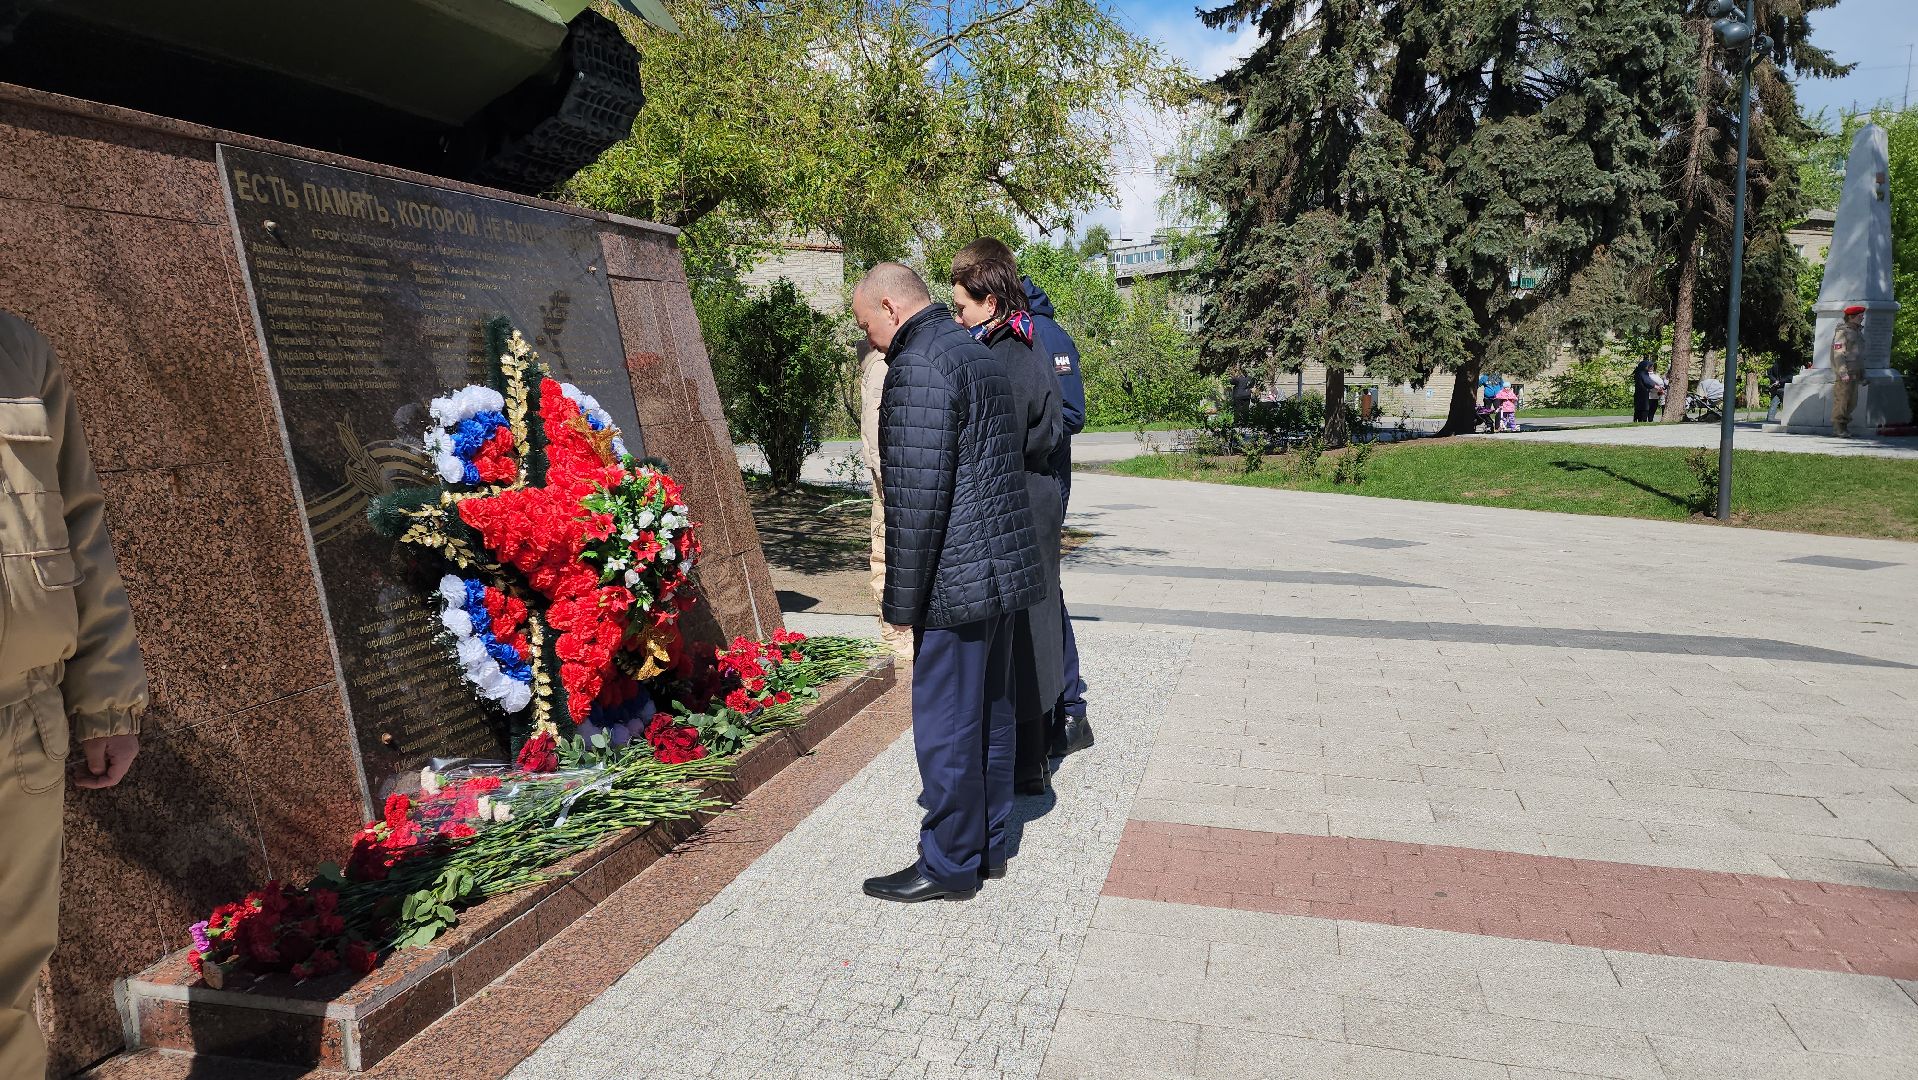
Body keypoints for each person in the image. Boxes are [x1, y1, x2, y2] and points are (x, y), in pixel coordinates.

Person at [853, 264, 1046, 903]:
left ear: (889, 304)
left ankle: (948, 862)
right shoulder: (975, 349)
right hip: (996, 570)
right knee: (990, 714)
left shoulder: (920, 364)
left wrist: (901, 603)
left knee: (946, 726)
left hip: (956, 580)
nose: (871, 339)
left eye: (867, 325)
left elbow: (917, 495)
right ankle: (986, 844)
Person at [1, 312, 148, 1077]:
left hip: (21, 725)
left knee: (5, 990)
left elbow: (79, 521)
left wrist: (107, 699)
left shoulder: (17, 350)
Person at [951, 239, 1064, 798]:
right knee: (1030, 621)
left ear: (989, 302)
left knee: (1025, 628)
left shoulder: (1007, 354)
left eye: (964, 307)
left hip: (1018, 496)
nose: (958, 317)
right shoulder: (1020, 337)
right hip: (1027, 493)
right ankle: (1037, 746)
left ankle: (1030, 757)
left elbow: (1004, 438)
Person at [1020, 274, 1092, 759]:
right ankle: (1058, 707)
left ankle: (1068, 708)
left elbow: (1071, 414)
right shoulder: (1011, 331)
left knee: (1043, 591)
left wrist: (1020, 440)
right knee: (1041, 592)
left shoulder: (1046, 334)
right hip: (1025, 481)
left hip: (1044, 478)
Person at [858, 344, 914, 663]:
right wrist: (891, 484)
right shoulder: (883, 364)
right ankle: (898, 641)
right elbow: (877, 435)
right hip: (893, 489)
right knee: (888, 559)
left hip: (900, 486)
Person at [1832, 304, 1867, 437]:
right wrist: (1842, 372)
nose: (1862, 317)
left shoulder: (1857, 332)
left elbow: (1860, 356)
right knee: (1842, 400)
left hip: (1855, 373)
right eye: (1860, 316)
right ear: (1852, 317)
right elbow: (1838, 353)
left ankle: (1844, 426)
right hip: (1846, 373)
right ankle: (1838, 427)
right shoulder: (1843, 331)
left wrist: (1863, 374)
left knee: (1851, 402)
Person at [1632, 355, 1660, 422]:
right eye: (1648, 366)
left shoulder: (1638, 372)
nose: (1649, 368)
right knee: (1644, 408)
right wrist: (1655, 386)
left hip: (1639, 394)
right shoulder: (1643, 373)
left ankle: (1636, 420)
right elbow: (1647, 381)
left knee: (1638, 408)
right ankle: (1642, 420)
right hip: (1643, 394)